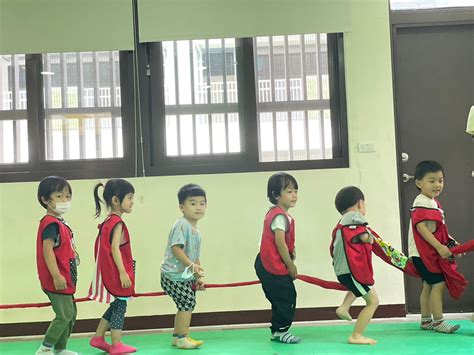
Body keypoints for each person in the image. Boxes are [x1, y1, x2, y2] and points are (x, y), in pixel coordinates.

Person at [408, 160, 467, 333]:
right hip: (422, 253)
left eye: (440, 180)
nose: (437, 185)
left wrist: (451, 243)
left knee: (428, 284)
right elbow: (422, 228)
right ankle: (438, 321)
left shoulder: (434, 203)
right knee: (438, 284)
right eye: (431, 181)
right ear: (419, 183)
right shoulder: (422, 202)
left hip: (423, 253)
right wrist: (440, 247)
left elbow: (440, 230)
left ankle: (426, 320)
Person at [88, 179, 137, 354]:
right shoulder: (117, 223)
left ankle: (98, 337)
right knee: (121, 306)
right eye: (130, 197)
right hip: (117, 271)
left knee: (116, 305)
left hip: (109, 271)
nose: (132, 202)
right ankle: (116, 343)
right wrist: (123, 272)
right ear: (116, 200)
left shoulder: (108, 220)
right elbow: (115, 248)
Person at [254, 172, 301, 344]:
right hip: (270, 265)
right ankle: (281, 331)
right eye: (289, 191)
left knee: (279, 297)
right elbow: (279, 241)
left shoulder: (277, 214)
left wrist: (292, 250)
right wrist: (290, 265)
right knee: (286, 297)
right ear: (276, 195)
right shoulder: (279, 215)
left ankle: (277, 329)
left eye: (295, 190)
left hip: (266, 263)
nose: (294, 195)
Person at [330, 186, 379, 345]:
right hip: (351, 268)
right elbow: (364, 236)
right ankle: (356, 335)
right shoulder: (354, 217)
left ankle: (344, 307)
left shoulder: (341, 222)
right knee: (373, 302)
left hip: (343, 269)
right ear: (359, 203)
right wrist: (371, 238)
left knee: (358, 286)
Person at [35, 176, 79, 355]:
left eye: (68, 196)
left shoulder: (60, 222)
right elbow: (48, 250)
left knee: (71, 314)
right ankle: (45, 348)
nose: (65, 200)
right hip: (57, 279)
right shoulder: (50, 224)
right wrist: (56, 275)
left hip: (66, 276)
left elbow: (62, 247)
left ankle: (60, 349)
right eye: (59, 196)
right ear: (45, 200)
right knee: (64, 315)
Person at [160, 184, 206, 350]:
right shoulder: (182, 225)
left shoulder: (196, 231)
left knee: (184, 304)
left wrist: (198, 276)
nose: (198, 207)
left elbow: (195, 257)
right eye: (193, 203)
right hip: (172, 275)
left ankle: (176, 337)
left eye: (202, 203)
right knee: (187, 303)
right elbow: (176, 248)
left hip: (183, 275)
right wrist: (192, 267)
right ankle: (182, 338)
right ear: (182, 207)